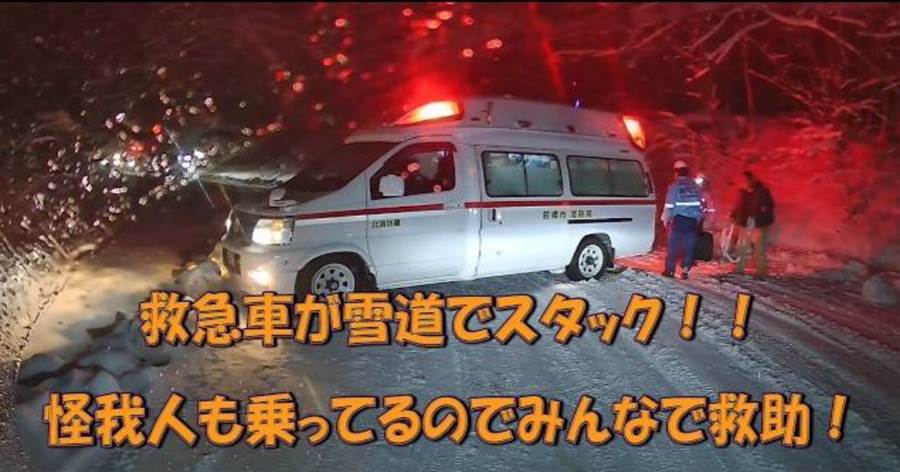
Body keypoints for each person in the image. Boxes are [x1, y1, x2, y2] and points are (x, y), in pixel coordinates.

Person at [661, 160, 704, 279]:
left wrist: (665, 219)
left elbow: (669, 205)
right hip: (692, 221)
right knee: (689, 246)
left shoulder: (674, 186)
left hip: (679, 220)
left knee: (673, 246)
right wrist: (698, 219)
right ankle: (685, 270)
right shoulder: (695, 186)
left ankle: (669, 270)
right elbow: (700, 204)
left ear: (676, 173)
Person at [733, 170, 775, 279]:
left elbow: (768, 206)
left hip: (759, 224)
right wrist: (734, 215)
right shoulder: (743, 193)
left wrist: (759, 215)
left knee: (759, 247)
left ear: (750, 180)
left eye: (744, 181)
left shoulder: (761, 192)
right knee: (741, 246)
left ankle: (762, 272)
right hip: (746, 223)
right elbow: (739, 206)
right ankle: (739, 269)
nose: (742, 183)